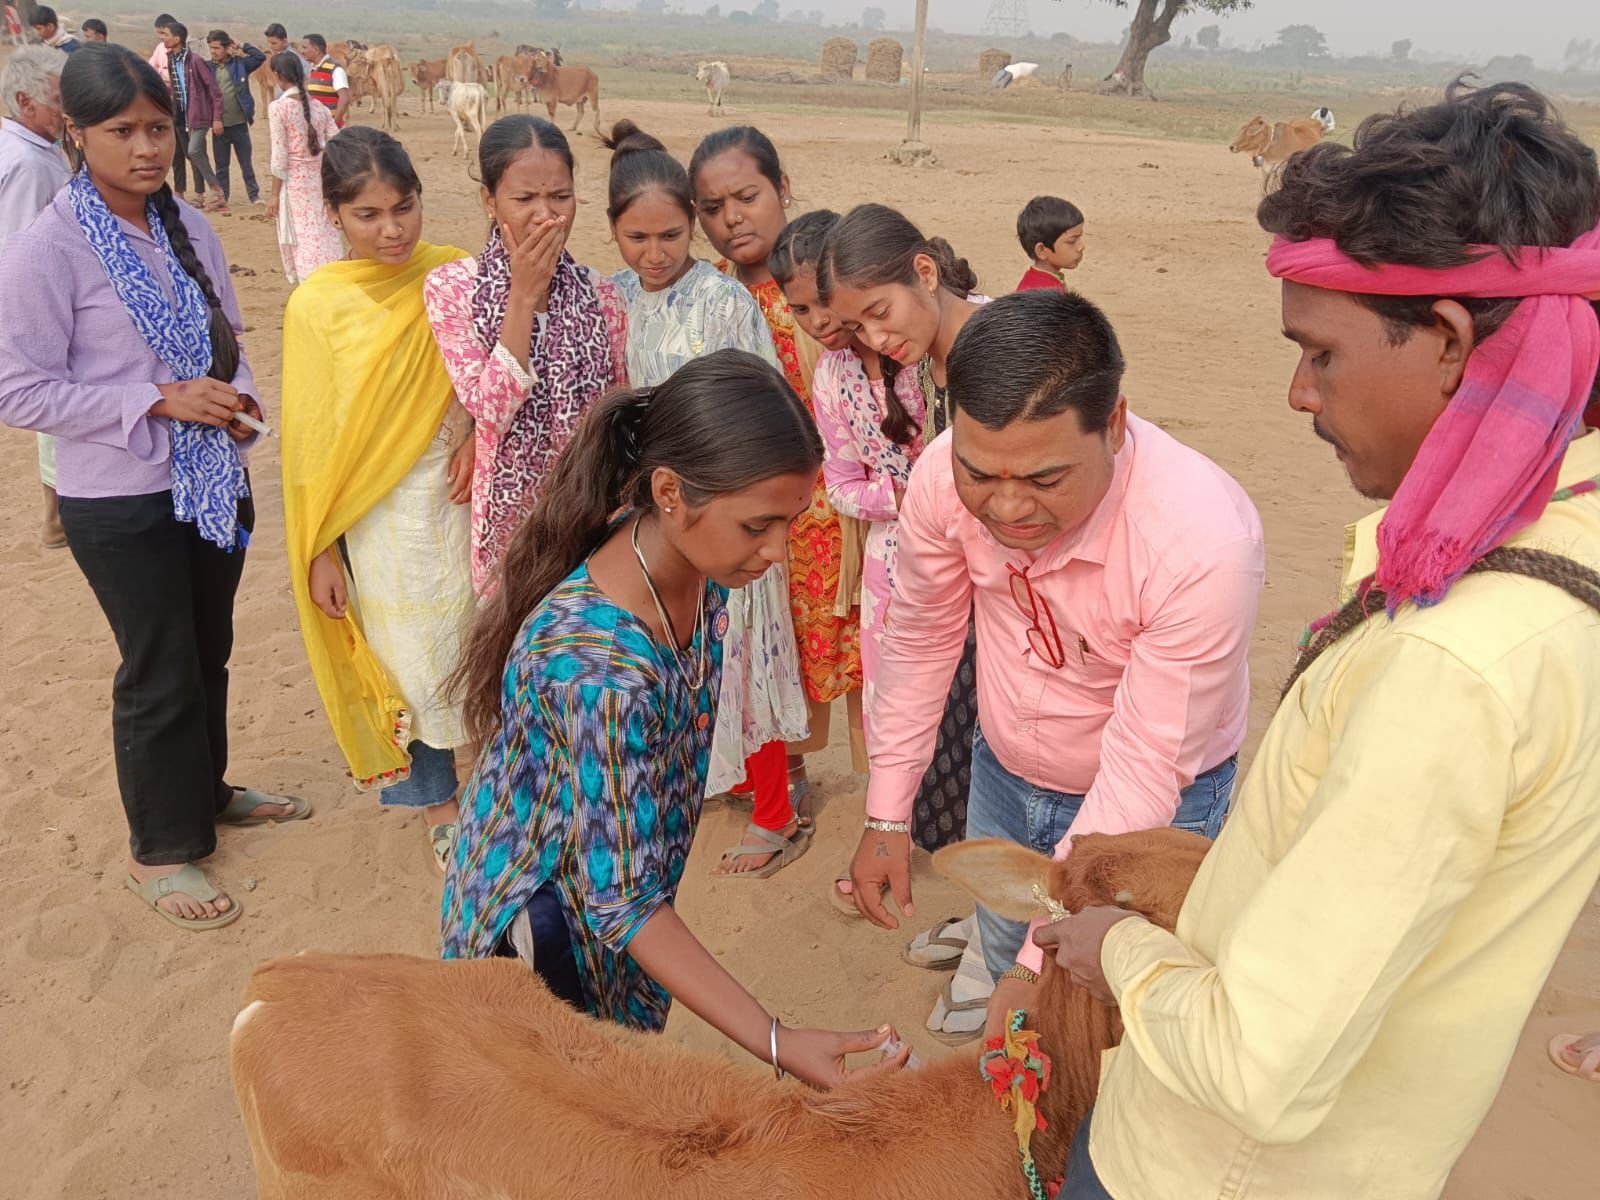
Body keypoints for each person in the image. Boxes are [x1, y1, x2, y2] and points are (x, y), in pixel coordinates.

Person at [1047, 81, 1600, 1200]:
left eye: (1321, 354)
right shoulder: (1559, 556)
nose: (1297, 392)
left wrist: (1113, 946)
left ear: (1446, 339)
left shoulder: (1451, 666)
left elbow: (1255, 1066)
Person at [440, 347, 910, 1089]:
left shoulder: (687, 564)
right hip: (545, 937)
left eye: (790, 521)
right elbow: (620, 902)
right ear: (669, 491)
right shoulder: (600, 673)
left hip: (614, 905)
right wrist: (778, 1041)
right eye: (759, 525)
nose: (779, 552)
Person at [841, 292, 1264, 1047]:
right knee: (1005, 948)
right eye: (982, 473)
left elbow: (1144, 766)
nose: (1005, 508)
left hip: (1155, 814)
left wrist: (1037, 966)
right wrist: (886, 812)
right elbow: (920, 638)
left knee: (1109, 1027)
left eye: (1042, 480)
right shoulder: (943, 479)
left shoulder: (1201, 543)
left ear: (1115, 425)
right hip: (1003, 777)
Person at [0, 44, 307, 932]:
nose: (146, 148)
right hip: (120, 497)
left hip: (213, 479)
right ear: (75, 130)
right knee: (158, 665)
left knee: (207, 648)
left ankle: (205, 792)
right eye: (122, 131)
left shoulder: (190, 225)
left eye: (159, 128)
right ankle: (161, 850)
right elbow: (18, 387)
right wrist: (156, 400)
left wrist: (238, 394)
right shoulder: (46, 247)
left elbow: (232, 334)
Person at [604, 120, 812, 878]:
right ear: (615, 234)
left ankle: (774, 813)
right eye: (637, 239)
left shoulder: (724, 301)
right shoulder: (613, 299)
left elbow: (761, 407)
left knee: (740, 657)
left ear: (691, 226)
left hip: (722, 512)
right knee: (668, 658)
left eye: (669, 236)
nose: (654, 255)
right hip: (656, 516)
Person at [814, 203, 993, 1038]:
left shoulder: (1000, 350)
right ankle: (995, 927)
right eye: (858, 328)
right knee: (984, 768)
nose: (879, 340)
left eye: (879, 313)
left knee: (1034, 778)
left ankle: (1007, 958)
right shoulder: (940, 368)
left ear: (925, 271)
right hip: (975, 604)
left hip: (1033, 614)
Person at [281, 126, 476, 873]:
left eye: (405, 207)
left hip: (462, 495)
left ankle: (495, 785)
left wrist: (472, 442)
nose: (392, 230)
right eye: (368, 214)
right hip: (377, 515)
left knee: (481, 641)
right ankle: (439, 805)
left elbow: (490, 381)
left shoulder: (455, 275)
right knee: (408, 661)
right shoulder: (317, 306)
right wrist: (322, 548)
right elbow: (310, 442)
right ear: (333, 215)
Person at [690, 125, 865, 823]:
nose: (731, 218)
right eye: (711, 207)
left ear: (782, 188)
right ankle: (774, 777)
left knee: (845, 655)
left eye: (747, 195)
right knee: (759, 646)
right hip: (758, 517)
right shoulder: (708, 299)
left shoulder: (835, 290)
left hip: (839, 512)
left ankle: (887, 806)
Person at [424, 115, 628, 598]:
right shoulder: (454, 288)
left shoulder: (603, 297)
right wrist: (522, 297)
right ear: (489, 201)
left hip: (591, 517)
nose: (547, 216)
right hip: (510, 527)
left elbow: (616, 415)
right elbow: (491, 408)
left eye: (561, 197)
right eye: (524, 200)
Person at [0, 46, 70, 550]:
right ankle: (55, 517)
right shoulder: (30, 163)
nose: (65, 113)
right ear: (24, 101)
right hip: (41, 301)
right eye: (57, 101)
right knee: (57, 406)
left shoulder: (26, 147)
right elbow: (26, 247)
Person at [263, 52, 339, 285]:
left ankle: (309, 282)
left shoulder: (279, 108)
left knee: (301, 235)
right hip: (321, 182)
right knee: (323, 230)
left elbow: (279, 156)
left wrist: (274, 194)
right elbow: (337, 142)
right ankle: (332, 274)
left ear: (277, 76)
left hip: (295, 184)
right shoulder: (320, 108)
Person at [162, 21, 226, 212]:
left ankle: (218, 192)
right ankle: (199, 195)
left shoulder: (195, 61)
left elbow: (214, 91)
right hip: (180, 115)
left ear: (177, 38)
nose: (163, 38)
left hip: (197, 115)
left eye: (165, 34)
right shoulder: (171, 58)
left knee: (195, 150)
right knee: (192, 155)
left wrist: (216, 118)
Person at [204, 31, 264, 207]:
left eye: (216, 48)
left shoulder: (240, 65)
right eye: (211, 48)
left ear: (226, 47)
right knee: (221, 166)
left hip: (239, 124)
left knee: (246, 163)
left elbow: (259, 57)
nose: (213, 51)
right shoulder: (208, 68)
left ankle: (254, 196)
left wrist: (241, 45)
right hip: (219, 125)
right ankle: (224, 198)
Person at [1015, 195, 1084, 293]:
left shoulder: (1041, 282)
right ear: (1041, 251)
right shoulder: (1042, 295)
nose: (1081, 247)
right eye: (1071, 242)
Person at [299, 34, 350, 127]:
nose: (302, 51)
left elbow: (345, 98)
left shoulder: (335, 69)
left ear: (316, 50)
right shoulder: (313, 69)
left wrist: (334, 125)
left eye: (305, 48)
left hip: (330, 129)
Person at [263, 23, 310, 99]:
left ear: (284, 41)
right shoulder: (278, 57)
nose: (271, 46)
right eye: (269, 43)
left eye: (274, 43)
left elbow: (308, 76)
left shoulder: (294, 58)